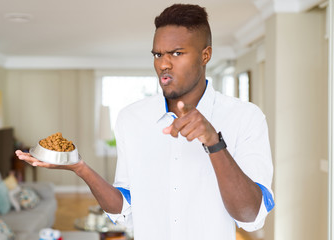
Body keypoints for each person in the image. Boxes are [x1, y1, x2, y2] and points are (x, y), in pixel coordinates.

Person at [16, 3, 274, 240]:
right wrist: (80, 168)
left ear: (205, 55)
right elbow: (123, 209)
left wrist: (214, 143)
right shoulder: (132, 119)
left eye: (176, 53)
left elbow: (250, 215)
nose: (163, 64)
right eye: (158, 54)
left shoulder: (245, 117)